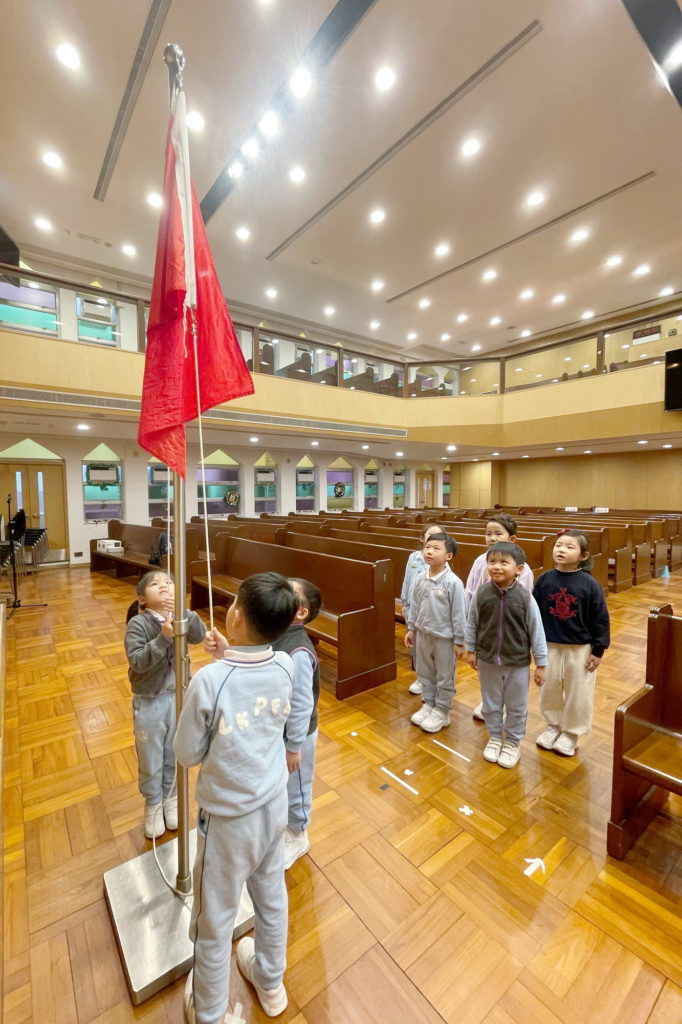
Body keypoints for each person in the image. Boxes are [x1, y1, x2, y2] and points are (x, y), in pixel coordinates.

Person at [175, 572, 297, 1024]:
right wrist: (229, 653)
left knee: (215, 917)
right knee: (271, 896)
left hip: (228, 822)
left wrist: (217, 668)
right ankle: (271, 982)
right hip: (273, 806)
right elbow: (252, 683)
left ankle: (208, 1012)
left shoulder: (210, 681)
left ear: (237, 615)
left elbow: (186, 753)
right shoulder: (285, 665)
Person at [124, 571, 207, 839]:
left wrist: (184, 612)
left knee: (174, 749)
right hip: (150, 700)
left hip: (178, 697)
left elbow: (199, 635)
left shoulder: (180, 616)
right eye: (155, 584)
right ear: (142, 599)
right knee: (150, 754)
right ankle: (152, 802)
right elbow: (137, 661)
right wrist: (163, 638)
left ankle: (170, 797)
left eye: (168, 583)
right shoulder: (138, 624)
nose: (163, 586)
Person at [465, 542, 547, 768]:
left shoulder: (525, 597)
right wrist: (471, 649)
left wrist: (541, 663)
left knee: (516, 706)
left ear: (519, 569)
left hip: (517, 663)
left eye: (504, 562)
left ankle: (512, 742)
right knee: (490, 704)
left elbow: (537, 631)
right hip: (487, 660)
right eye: (492, 562)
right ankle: (494, 736)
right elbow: (472, 622)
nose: (497, 566)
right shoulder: (482, 593)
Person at [533, 530, 610, 757]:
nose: (561, 550)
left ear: (583, 556)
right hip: (549, 645)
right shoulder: (545, 579)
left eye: (569, 547)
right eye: (558, 545)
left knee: (579, 691)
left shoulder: (590, 584)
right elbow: (534, 613)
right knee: (549, 688)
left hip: (580, 648)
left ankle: (572, 733)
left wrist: (598, 650)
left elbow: (600, 618)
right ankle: (553, 725)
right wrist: (533, 643)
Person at [464, 513, 535, 722]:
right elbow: (470, 590)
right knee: (487, 668)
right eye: (488, 534)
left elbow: (524, 603)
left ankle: (505, 705)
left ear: (512, 539)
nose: (492, 538)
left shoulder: (523, 569)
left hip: (509, 628)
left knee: (508, 670)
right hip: (485, 625)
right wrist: (469, 622)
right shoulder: (480, 561)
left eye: (498, 533)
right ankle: (490, 702)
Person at [274, 578, 322, 870]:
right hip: (278, 726)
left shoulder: (299, 651)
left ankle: (298, 833)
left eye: (290, 592)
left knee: (298, 785)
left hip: (298, 735)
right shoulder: (275, 632)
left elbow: (303, 704)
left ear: (301, 612)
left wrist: (294, 747)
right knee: (281, 782)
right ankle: (283, 823)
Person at [404, 532, 466, 733]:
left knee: (445, 676)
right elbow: (414, 605)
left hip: (444, 639)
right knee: (425, 672)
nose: (429, 551)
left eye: (436, 548)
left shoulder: (453, 582)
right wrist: (411, 628)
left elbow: (459, 614)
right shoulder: (420, 578)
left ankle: (442, 710)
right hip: (423, 635)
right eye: (427, 547)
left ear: (448, 556)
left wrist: (460, 641)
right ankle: (429, 703)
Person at [400, 522, 447, 696]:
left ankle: (434, 679)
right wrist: (405, 602)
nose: (433, 539)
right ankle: (421, 678)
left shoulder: (442, 562)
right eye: (430, 535)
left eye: (438, 536)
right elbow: (407, 580)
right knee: (416, 646)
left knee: (430, 647)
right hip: (412, 608)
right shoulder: (413, 557)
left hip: (431, 611)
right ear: (422, 539)